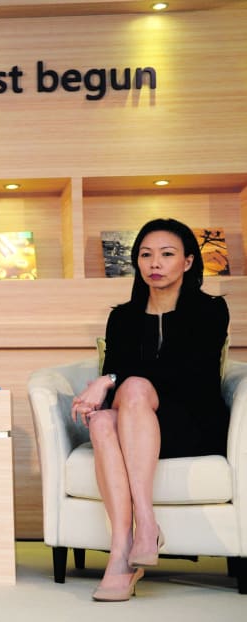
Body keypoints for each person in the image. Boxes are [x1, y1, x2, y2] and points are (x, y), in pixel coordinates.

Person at [71, 218, 229, 602]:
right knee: (103, 421)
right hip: (133, 424)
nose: (154, 263)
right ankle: (123, 552)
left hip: (190, 424)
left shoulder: (211, 310)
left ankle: (144, 525)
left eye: (166, 254)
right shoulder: (122, 317)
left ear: (188, 262)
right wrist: (112, 380)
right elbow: (124, 377)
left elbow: (185, 375)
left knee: (136, 387)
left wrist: (107, 379)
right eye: (145, 254)